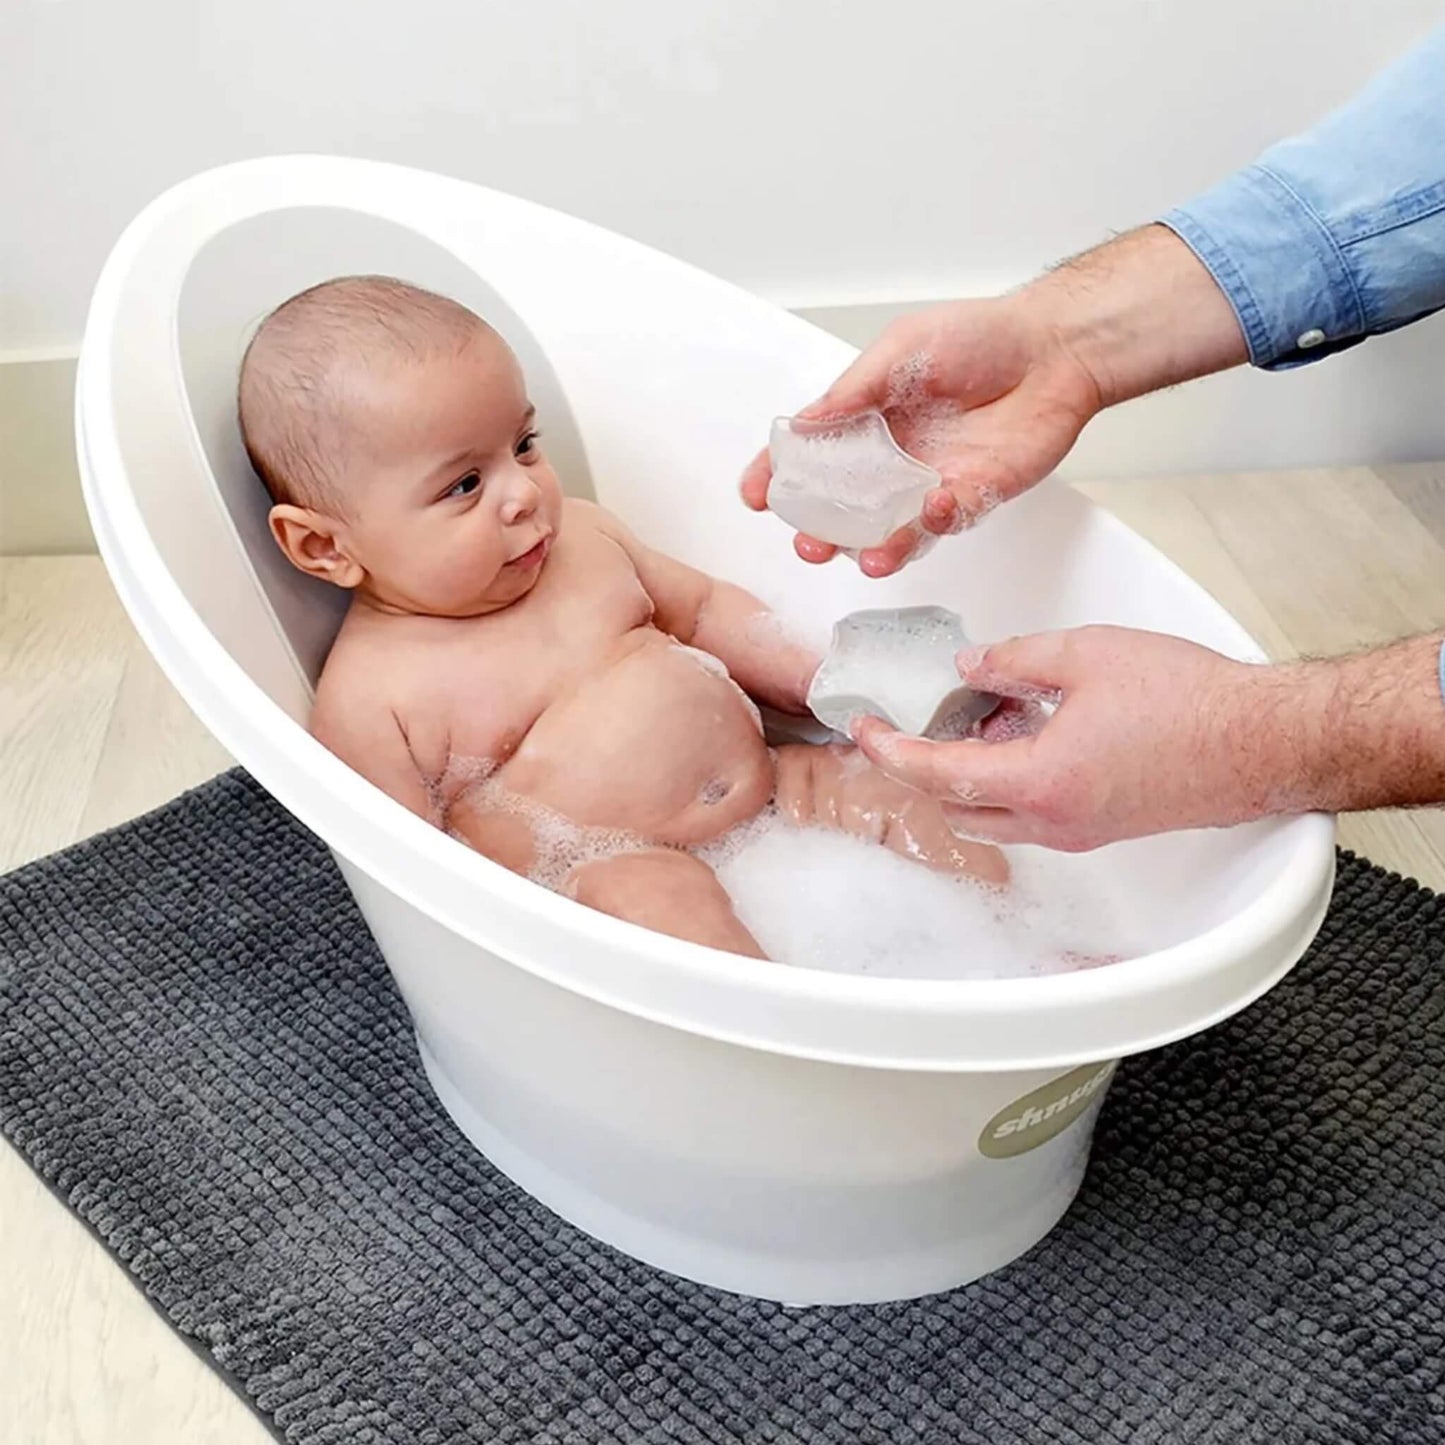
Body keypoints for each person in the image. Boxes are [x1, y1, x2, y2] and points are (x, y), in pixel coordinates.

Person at [742, 25, 1445, 853]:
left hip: (789, 779)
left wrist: (1257, 736)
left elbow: (720, 620)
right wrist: (1062, 341)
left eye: (538, 442)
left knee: (940, 837)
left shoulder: (606, 557)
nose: (539, 492)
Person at [237, 276, 1008, 961]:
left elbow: (705, 611)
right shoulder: (375, 698)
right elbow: (416, 875)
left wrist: (823, 683)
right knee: (666, 912)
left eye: (524, 444)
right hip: (610, 867)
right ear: (323, 547)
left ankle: (1012, 953)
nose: (522, 493)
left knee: (918, 803)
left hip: (776, 782)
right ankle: (792, 1041)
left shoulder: (584, 537)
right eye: (465, 483)